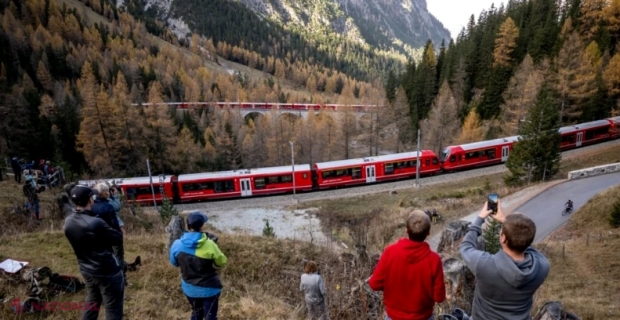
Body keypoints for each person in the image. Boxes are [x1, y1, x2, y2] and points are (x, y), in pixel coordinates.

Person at [459, 200, 550, 320]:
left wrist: (480, 217)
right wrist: (507, 223)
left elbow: (465, 246)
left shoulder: (484, 265)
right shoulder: (542, 266)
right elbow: (525, 242)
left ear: (503, 238)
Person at [367, 210, 446, 320]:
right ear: (428, 234)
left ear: (406, 231)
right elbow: (439, 297)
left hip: (393, 317)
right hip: (423, 317)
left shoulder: (390, 252)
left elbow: (374, 284)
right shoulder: (434, 260)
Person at [64, 185, 124, 320]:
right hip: (107, 272)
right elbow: (118, 239)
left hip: (86, 269)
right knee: (113, 310)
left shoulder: (68, 222)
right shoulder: (96, 222)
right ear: (90, 200)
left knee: (92, 303)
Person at [170, 212, 227, 320]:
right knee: (210, 316)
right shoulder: (210, 244)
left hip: (189, 289)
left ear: (187, 226)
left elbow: (174, 263)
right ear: (202, 226)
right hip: (210, 289)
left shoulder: (177, 244)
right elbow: (222, 262)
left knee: (196, 313)